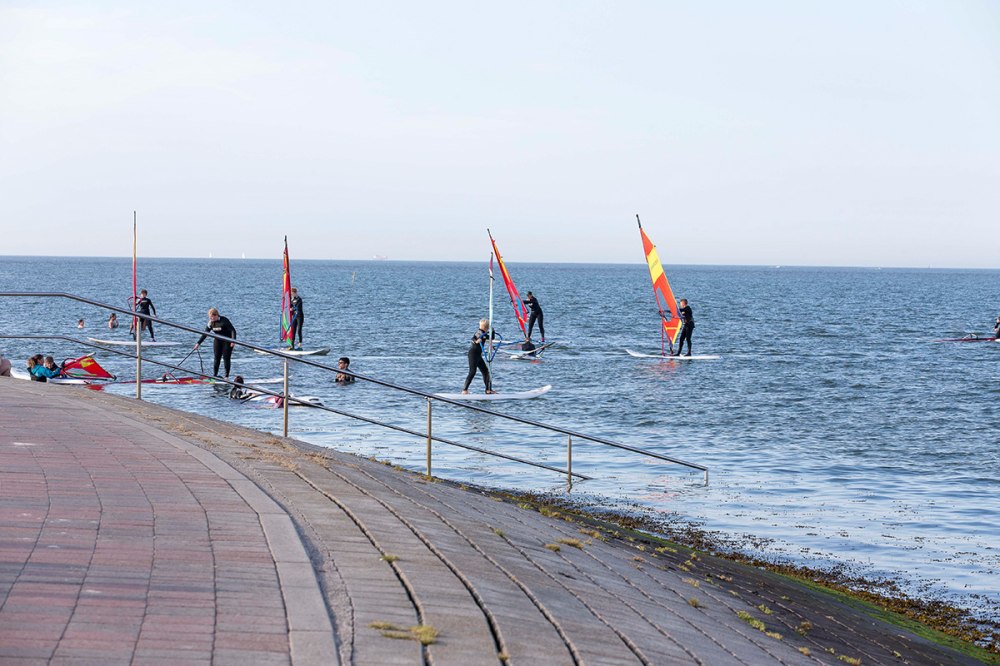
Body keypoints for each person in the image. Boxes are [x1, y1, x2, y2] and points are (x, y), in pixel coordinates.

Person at [194, 308, 237, 378]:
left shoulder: (224, 320)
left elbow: (233, 330)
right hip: (218, 341)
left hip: (227, 341)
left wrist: (233, 340)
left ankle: (226, 376)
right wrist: (198, 343)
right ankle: (215, 375)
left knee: (226, 358)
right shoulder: (210, 323)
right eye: (210, 317)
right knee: (217, 358)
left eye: (212, 317)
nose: (211, 318)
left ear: (216, 315)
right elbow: (205, 334)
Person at [462, 319, 496, 394]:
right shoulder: (479, 332)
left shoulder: (484, 334)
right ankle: (464, 390)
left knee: (485, 371)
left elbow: (491, 337)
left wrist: (492, 331)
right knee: (472, 372)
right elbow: (473, 338)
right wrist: (476, 341)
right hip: (473, 354)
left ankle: (488, 390)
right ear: (485, 327)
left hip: (478, 355)